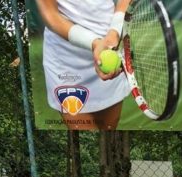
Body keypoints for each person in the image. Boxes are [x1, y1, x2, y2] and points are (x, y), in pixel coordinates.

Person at [35, 0, 131, 130]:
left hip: (111, 45)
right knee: (83, 135)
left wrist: (114, 32)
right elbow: (50, 14)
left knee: (108, 132)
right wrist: (94, 43)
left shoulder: (112, 40)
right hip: (66, 64)